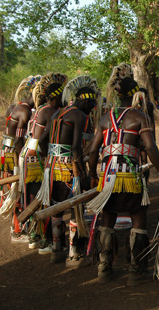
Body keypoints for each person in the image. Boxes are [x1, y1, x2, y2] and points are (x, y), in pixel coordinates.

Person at [87, 64, 159, 285]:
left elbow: (93, 150)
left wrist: (93, 175)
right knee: (138, 217)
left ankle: (104, 267)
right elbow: (151, 148)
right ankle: (135, 269)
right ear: (135, 95)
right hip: (130, 176)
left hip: (108, 176)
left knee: (109, 217)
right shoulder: (139, 117)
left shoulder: (105, 119)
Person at [37, 75, 99, 266]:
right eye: (91, 105)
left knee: (56, 208)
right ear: (85, 100)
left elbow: (41, 141)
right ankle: (74, 255)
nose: (92, 109)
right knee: (74, 208)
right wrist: (85, 172)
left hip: (52, 168)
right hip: (68, 169)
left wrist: (50, 157)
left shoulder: (58, 113)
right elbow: (75, 147)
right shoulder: (79, 115)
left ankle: (56, 250)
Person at [19, 72, 67, 251]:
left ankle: (35, 237)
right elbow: (42, 141)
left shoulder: (42, 109)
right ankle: (43, 239)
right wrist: (49, 158)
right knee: (41, 197)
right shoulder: (49, 111)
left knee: (35, 196)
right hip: (35, 157)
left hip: (30, 154)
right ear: (57, 97)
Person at [0, 75, 41, 242]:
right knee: (20, 189)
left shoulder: (14, 106)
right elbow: (18, 139)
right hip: (14, 155)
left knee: (17, 190)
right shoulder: (24, 111)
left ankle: (17, 228)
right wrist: (21, 163)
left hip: (5, 152)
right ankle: (17, 231)